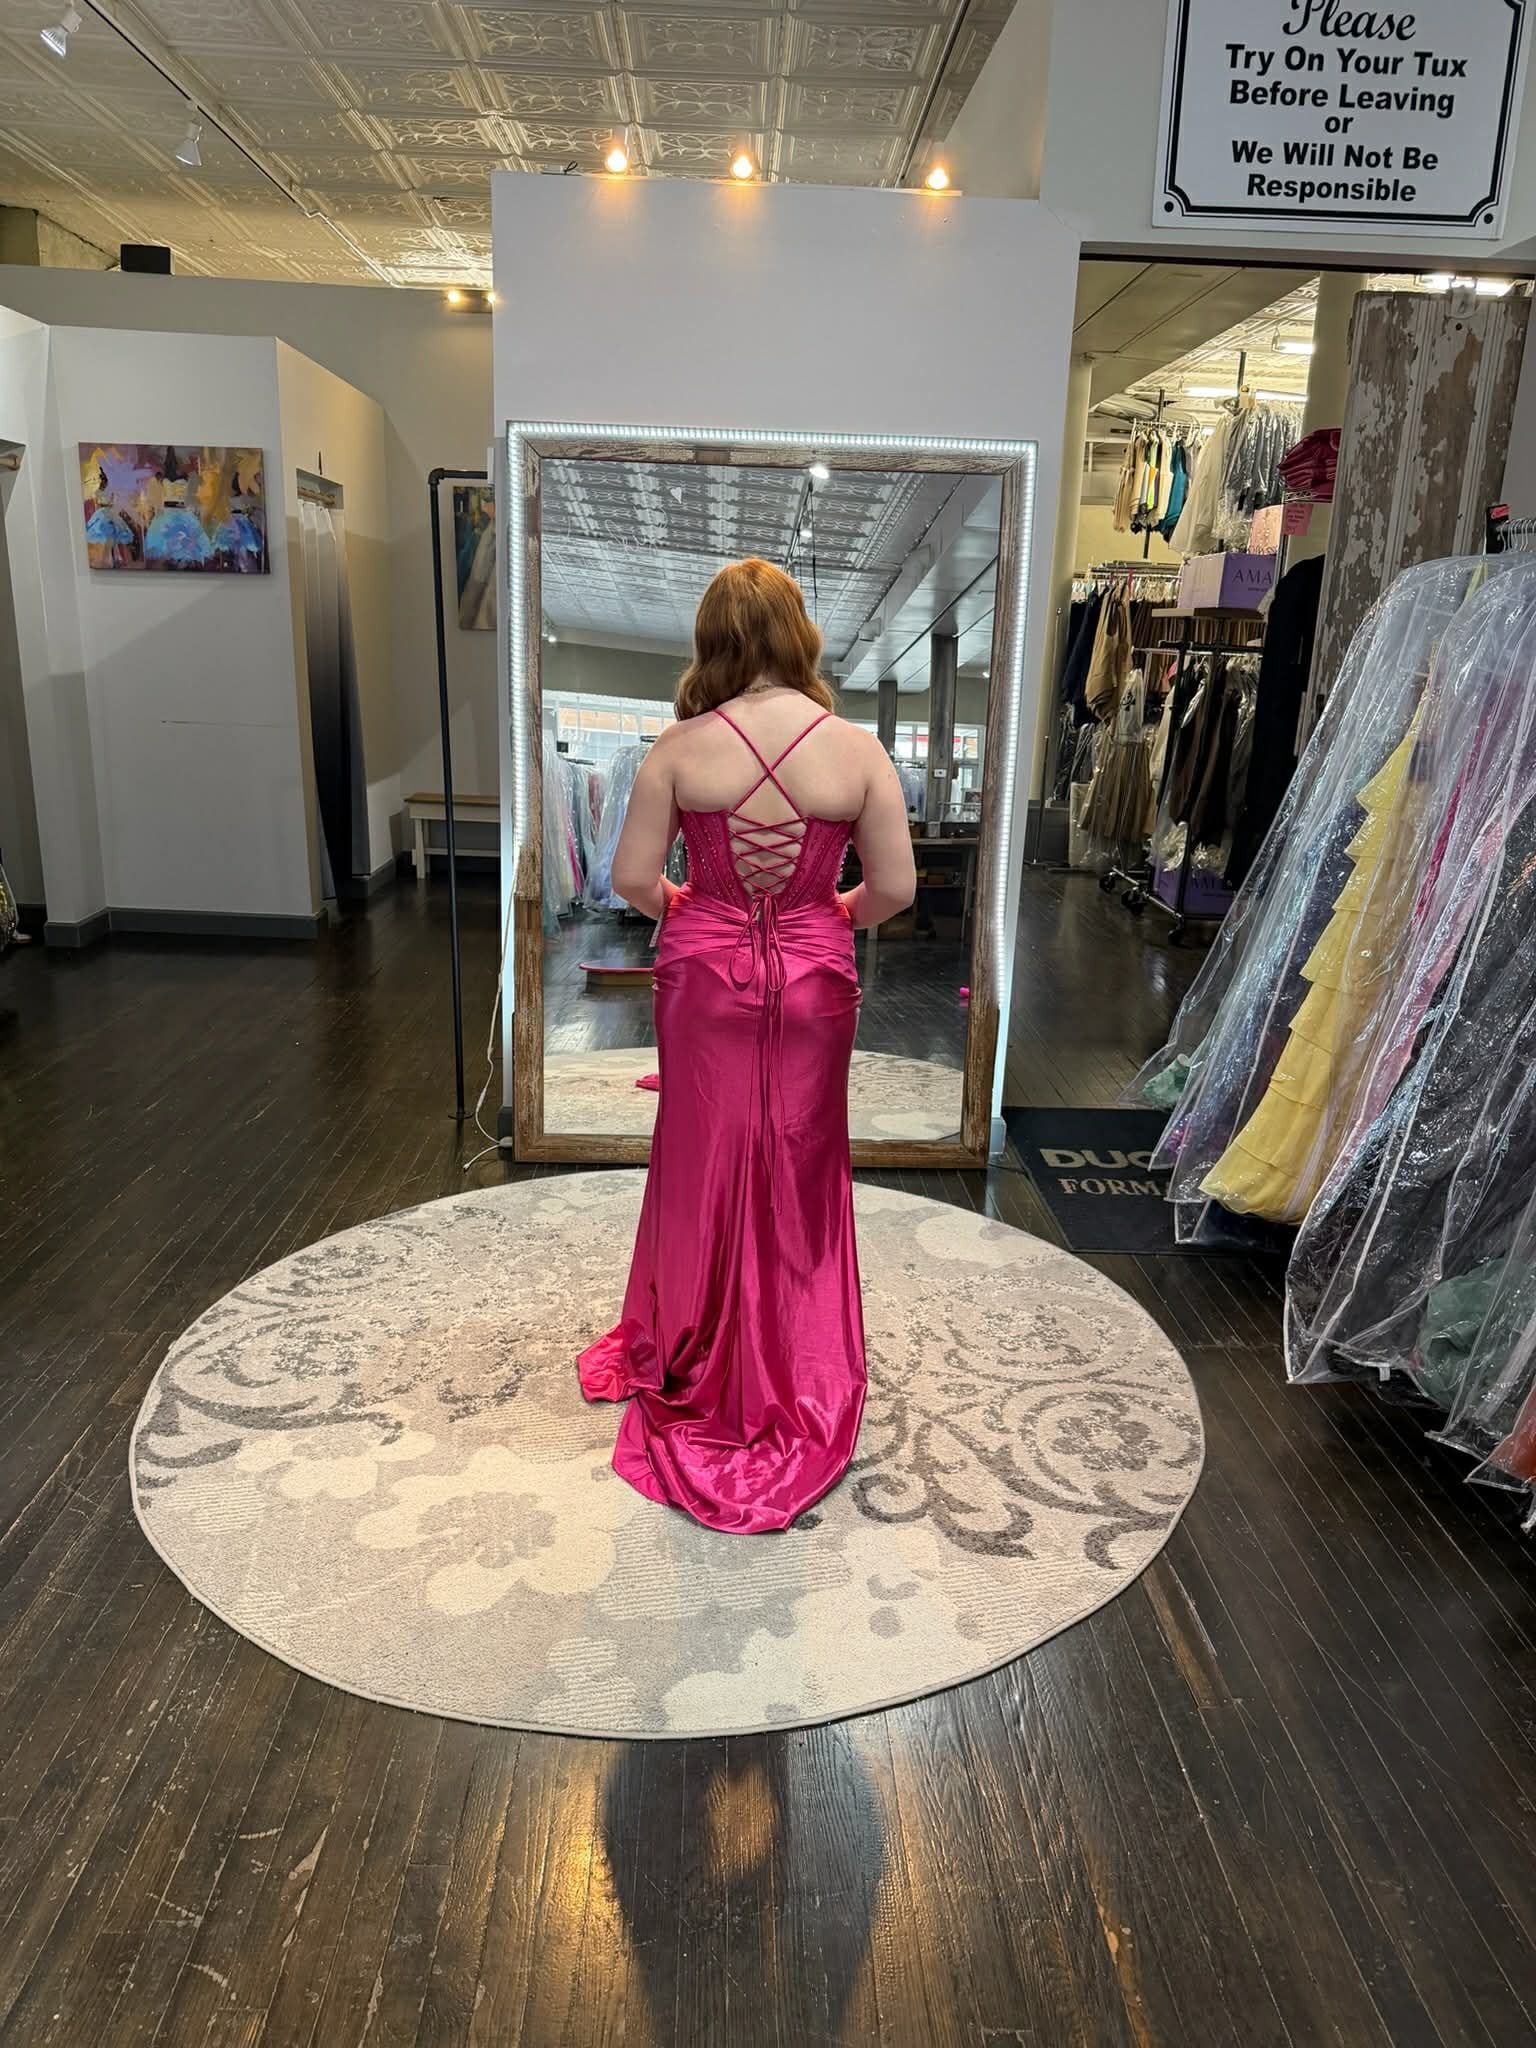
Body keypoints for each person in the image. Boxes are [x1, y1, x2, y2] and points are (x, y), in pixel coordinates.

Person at [576, 557, 917, 1533]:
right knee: (802, 1167)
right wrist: (822, 913)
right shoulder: (857, 751)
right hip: (816, 973)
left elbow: (634, 877)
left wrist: (693, 904)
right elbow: (892, 890)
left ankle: (689, 1341)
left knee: (699, 1162)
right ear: (798, 634)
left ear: (713, 640)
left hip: (703, 971)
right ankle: (801, 1359)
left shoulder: (679, 749)